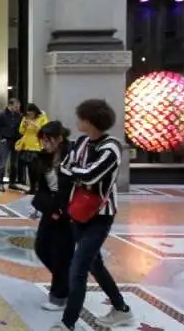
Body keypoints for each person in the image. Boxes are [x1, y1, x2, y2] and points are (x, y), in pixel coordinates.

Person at [51, 99, 132, 331]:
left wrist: (77, 173)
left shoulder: (112, 147)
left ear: (89, 121)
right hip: (78, 211)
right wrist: (78, 173)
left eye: (80, 118)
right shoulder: (81, 142)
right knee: (94, 265)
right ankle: (121, 309)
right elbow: (64, 168)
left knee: (78, 269)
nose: (77, 121)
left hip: (100, 215)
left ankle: (68, 323)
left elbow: (90, 175)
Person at [31, 121, 75, 312]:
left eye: (48, 141)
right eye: (42, 141)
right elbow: (43, 186)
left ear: (59, 139)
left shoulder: (72, 156)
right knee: (41, 246)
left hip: (68, 210)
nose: (44, 144)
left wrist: (63, 210)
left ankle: (59, 296)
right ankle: (66, 281)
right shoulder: (44, 158)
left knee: (62, 254)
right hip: (50, 207)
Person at [16, 103, 48, 194]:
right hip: (27, 146)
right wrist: (24, 124)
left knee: (36, 169)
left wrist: (34, 124)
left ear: (35, 112)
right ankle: (32, 188)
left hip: (37, 147)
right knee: (29, 169)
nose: (29, 115)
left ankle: (39, 188)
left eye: (31, 113)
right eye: (28, 113)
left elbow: (44, 131)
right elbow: (21, 131)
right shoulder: (26, 118)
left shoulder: (42, 118)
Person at [0, 98, 22, 192]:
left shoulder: (18, 115)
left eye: (18, 106)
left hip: (15, 141)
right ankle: (0, 184)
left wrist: (19, 138)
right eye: (16, 106)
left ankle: (12, 183)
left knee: (14, 163)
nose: (18, 108)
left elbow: (19, 128)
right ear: (10, 105)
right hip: (5, 141)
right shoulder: (1, 114)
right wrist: (1, 137)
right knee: (2, 163)